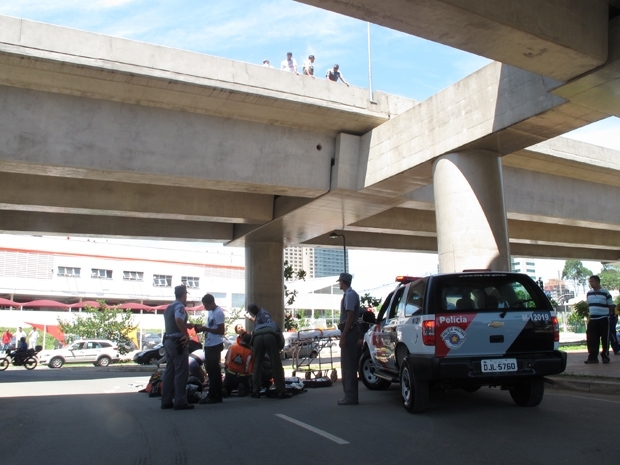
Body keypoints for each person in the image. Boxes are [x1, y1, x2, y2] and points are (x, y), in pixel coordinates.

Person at [161, 284, 194, 410]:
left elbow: (176, 322)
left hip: (168, 340)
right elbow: (178, 321)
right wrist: (186, 334)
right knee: (181, 372)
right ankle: (180, 401)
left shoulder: (169, 307)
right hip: (177, 342)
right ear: (184, 294)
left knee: (170, 371)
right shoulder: (180, 307)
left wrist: (188, 325)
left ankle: (166, 400)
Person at [247, 303, 291, 399]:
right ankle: (281, 390)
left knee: (257, 364)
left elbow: (252, 342)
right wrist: (278, 350)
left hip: (257, 336)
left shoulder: (263, 313)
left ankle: (255, 391)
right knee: (276, 364)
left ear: (255, 308)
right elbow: (280, 339)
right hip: (270, 335)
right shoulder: (271, 323)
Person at [194, 293, 226, 404]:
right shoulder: (212, 312)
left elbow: (221, 331)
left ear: (211, 303)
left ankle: (215, 395)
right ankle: (215, 394)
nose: (205, 307)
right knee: (211, 371)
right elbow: (211, 327)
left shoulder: (218, 313)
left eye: (206, 305)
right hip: (209, 344)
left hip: (215, 344)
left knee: (214, 372)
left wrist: (205, 329)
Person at [337, 272, 360, 405]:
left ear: (343, 282)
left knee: (348, 366)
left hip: (349, 332)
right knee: (348, 365)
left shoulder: (349, 295)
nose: (339, 283)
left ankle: (350, 396)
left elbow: (350, 316)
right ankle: (350, 395)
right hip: (350, 331)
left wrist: (343, 336)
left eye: (340, 281)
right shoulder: (350, 294)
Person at [584, 275, 615, 364]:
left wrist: (609, 315)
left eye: (592, 281)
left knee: (605, 338)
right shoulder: (589, 293)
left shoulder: (606, 293)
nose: (591, 283)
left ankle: (605, 355)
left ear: (597, 282)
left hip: (604, 318)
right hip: (593, 319)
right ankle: (593, 357)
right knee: (591, 338)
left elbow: (611, 305)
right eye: (590, 282)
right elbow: (589, 305)